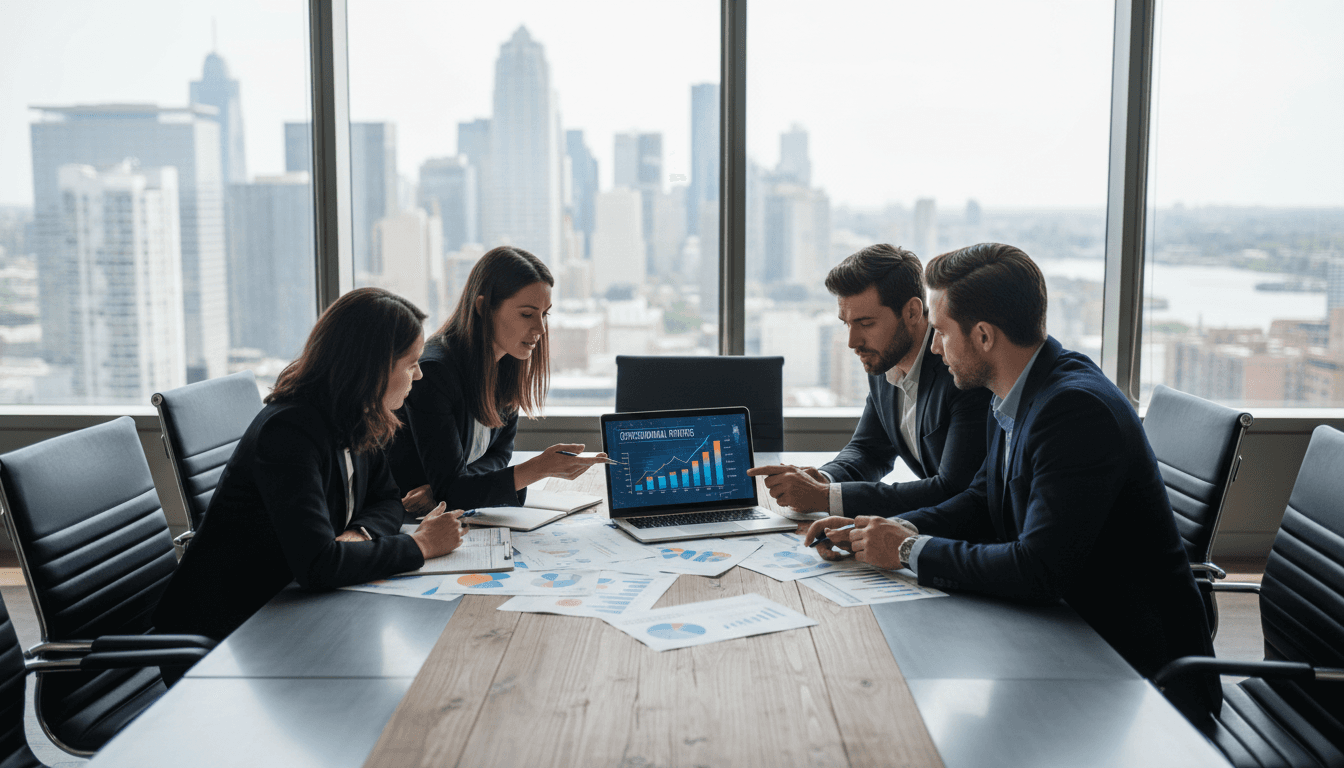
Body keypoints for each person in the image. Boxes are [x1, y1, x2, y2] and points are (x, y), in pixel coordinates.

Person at [804, 242, 1219, 717]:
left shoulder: (1074, 411)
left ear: (983, 336)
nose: (934, 347)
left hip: (1135, 675)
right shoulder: (1014, 390)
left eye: (942, 333)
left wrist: (906, 550)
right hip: (1063, 633)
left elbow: (1038, 569)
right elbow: (981, 499)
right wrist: (882, 531)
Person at [153, 287, 464, 642]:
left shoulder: (358, 414)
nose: (419, 375)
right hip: (228, 630)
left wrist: (359, 535)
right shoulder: (289, 432)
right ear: (373, 368)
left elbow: (387, 499)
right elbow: (319, 566)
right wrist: (421, 545)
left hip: (290, 605)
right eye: (411, 364)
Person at [748, 244, 990, 516]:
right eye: (847, 324)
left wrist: (827, 497)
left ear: (912, 312)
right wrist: (823, 479)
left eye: (866, 324)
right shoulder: (884, 361)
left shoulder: (960, 370)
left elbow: (953, 489)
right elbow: (869, 451)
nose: (853, 342)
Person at [388, 246, 606, 519]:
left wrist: (447, 488)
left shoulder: (508, 363)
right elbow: (452, 491)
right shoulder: (434, 373)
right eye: (527, 314)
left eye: (544, 314)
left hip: (454, 514)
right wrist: (537, 469)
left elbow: (499, 455)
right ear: (483, 308)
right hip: (409, 521)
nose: (540, 329)